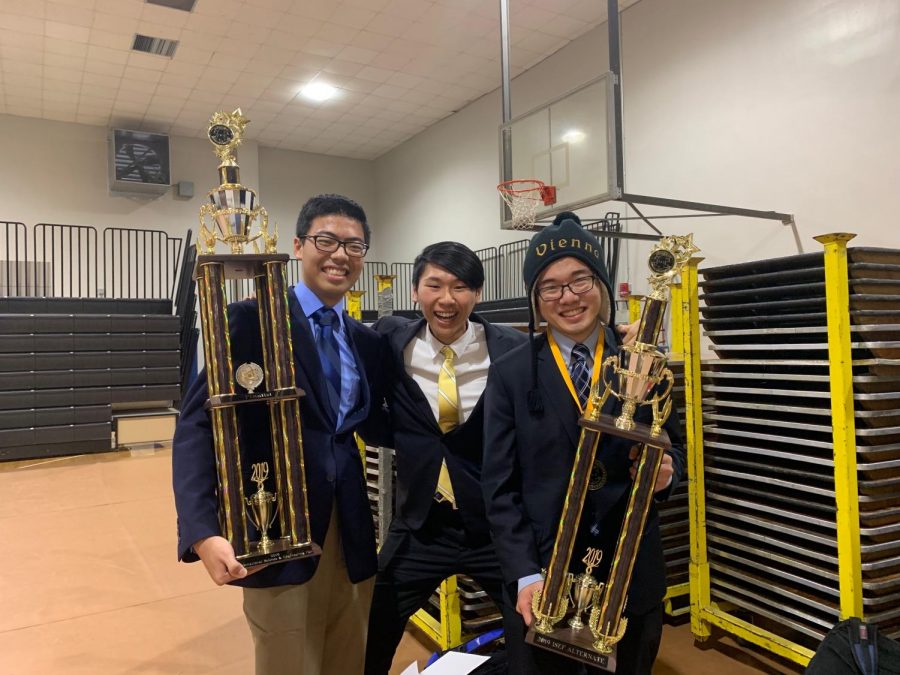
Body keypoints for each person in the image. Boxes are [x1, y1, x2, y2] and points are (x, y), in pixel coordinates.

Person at [172, 194, 389, 675]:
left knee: (347, 652)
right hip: (275, 522)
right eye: (326, 240)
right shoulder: (248, 320)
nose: (340, 255)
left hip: (350, 524)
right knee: (287, 657)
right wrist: (202, 532)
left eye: (354, 246)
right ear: (298, 246)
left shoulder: (366, 341)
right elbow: (196, 426)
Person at [481, 213, 686, 674]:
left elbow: (679, 450)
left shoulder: (642, 361)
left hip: (628, 570)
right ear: (536, 299)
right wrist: (525, 574)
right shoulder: (513, 372)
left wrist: (668, 471)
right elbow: (499, 485)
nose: (567, 297)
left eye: (580, 280)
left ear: (602, 285)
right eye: (550, 287)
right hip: (543, 571)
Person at [364, 241, 530, 674]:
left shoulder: (513, 349)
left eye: (460, 287)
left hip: (497, 527)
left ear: (476, 294)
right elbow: (365, 407)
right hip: (421, 523)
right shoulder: (389, 340)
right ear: (416, 291)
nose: (446, 299)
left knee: (533, 634)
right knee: (370, 628)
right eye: (434, 285)